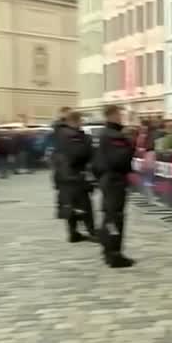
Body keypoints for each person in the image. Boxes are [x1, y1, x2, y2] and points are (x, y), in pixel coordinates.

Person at [94, 105, 136, 268]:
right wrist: (130, 144)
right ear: (112, 115)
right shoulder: (114, 136)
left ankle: (108, 250)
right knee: (114, 217)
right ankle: (114, 254)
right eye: (119, 114)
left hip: (107, 179)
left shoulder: (104, 133)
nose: (121, 117)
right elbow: (120, 159)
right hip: (115, 180)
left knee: (109, 215)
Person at [58, 111, 97, 243]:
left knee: (71, 205)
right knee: (85, 205)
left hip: (65, 176)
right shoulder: (73, 136)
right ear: (74, 121)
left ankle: (73, 233)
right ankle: (92, 232)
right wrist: (88, 145)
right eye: (81, 120)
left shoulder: (60, 134)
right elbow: (77, 155)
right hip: (75, 175)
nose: (82, 123)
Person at [51, 107, 72, 219]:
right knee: (63, 186)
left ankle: (61, 209)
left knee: (62, 187)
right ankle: (63, 210)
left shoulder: (58, 127)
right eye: (68, 113)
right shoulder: (61, 128)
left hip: (59, 159)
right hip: (62, 160)